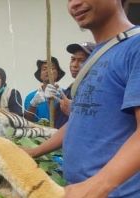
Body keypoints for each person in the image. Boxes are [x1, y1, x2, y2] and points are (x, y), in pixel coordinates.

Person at [26, 0, 140, 197]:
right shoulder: (97, 55)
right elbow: (79, 120)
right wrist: (33, 152)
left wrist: (97, 186)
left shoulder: (135, 47)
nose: (74, 4)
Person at [23, 56, 66, 128]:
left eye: (52, 68)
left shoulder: (65, 95)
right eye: (44, 69)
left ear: (58, 73)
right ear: (40, 75)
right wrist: (33, 105)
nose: (48, 71)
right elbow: (27, 122)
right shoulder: (31, 97)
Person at [59, 42, 96, 115]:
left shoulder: (95, 91)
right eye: (73, 59)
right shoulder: (70, 90)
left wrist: (74, 112)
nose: (74, 65)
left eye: (81, 60)